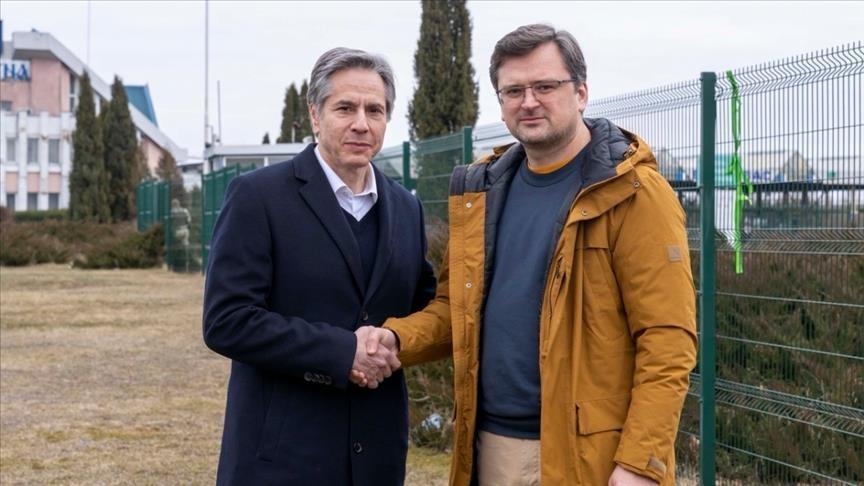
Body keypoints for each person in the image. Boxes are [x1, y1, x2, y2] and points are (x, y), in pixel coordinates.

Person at [360, 24, 698, 486]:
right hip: (491, 447)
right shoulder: (482, 193)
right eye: (514, 91)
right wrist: (395, 339)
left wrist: (641, 461)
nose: (529, 101)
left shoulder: (634, 193)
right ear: (501, 104)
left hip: (589, 456)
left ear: (581, 93)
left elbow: (668, 339)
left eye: (545, 86)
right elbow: (456, 310)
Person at [202, 47, 436, 485]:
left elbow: (423, 308)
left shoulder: (406, 208)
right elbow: (227, 321)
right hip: (282, 457)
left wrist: (396, 338)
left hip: (377, 454)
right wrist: (342, 351)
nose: (361, 123)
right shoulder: (258, 197)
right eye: (345, 108)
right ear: (314, 113)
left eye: (375, 110)